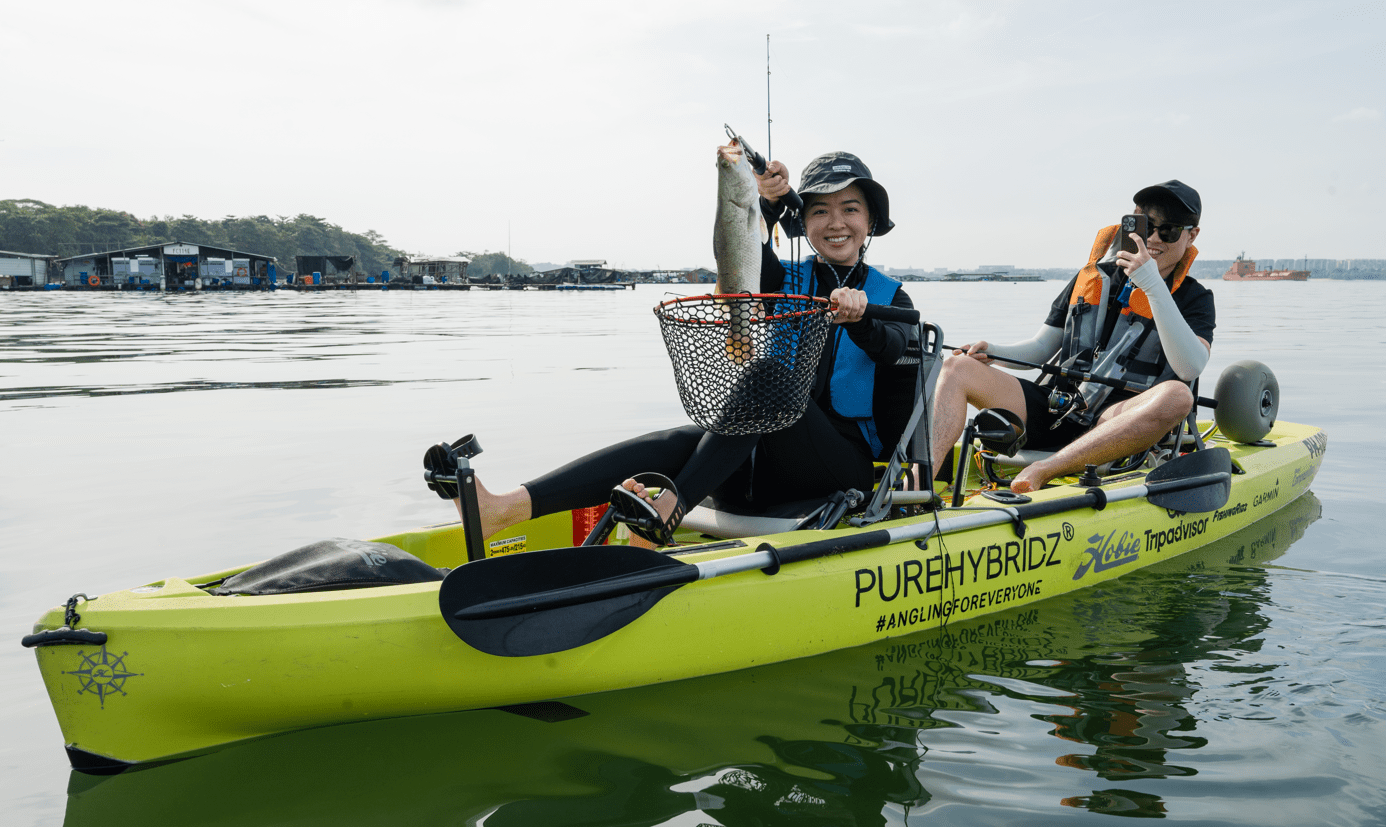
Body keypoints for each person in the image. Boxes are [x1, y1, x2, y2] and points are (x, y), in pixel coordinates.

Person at [447, 143, 918, 544]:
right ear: (805, 222)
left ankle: (669, 508)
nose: (835, 222)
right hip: (762, 467)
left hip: (843, 472)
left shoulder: (890, 296)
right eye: (820, 210)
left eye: (850, 209)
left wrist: (862, 321)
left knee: (770, 376)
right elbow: (743, 250)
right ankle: (505, 509)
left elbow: (897, 348)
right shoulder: (785, 281)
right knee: (681, 440)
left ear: (871, 220)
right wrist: (767, 202)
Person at [929, 180, 1214, 493]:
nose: (1153, 239)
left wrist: (1153, 286)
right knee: (955, 367)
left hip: (1116, 423)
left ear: (1192, 235)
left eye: (1169, 230)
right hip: (1058, 407)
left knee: (1178, 396)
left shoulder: (1195, 297)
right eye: (1146, 227)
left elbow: (1190, 367)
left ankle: (1046, 469)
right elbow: (1040, 348)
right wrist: (993, 351)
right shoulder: (1092, 278)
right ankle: (919, 488)